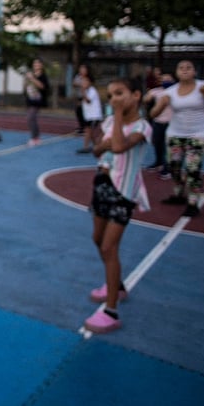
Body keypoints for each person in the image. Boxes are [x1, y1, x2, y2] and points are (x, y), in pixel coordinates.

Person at [84, 78, 152, 334]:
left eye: (119, 93)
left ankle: (111, 311)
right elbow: (98, 150)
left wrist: (117, 124)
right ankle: (117, 287)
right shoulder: (110, 122)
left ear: (136, 95)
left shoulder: (143, 126)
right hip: (101, 184)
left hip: (123, 192)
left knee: (109, 246)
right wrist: (107, 141)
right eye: (111, 95)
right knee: (97, 238)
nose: (113, 99)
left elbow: (120, 147)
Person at [150, 60, 204, 217]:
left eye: (188, 67)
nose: (185, 70)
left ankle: (193, 203)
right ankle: (179, 194)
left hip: (199, 134)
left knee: (193, 169)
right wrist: (161, 104)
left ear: (195, 72)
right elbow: (153, 114)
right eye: (181, 68)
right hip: (175, 134)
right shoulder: (170, 92)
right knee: (174, 168)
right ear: (177, 73)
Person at [142, 72, 175, 178]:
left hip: (171, 123)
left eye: (168, 79)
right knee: (157, 144)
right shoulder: (155, 91)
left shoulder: (176, 91)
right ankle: (158, 162)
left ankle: (168, 167)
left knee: (168, 147)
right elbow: (146, 99)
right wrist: (148, 97)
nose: (165, 81)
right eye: (163, 79)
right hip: (158, 122)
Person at [23, 58, 50, 146]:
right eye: (34, 63)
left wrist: (32, 78)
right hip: (30, 99)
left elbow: (42, 86)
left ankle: (34, 138)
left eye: (38, 63)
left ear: (41, 65)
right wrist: (26, 80)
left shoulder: (42, 76)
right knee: (32, 118)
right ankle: (37, 138)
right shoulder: (31, 74)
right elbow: (25, 87)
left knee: (30, 117)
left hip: (38, 100)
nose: (36, 65)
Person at [77, 74, 103, 153]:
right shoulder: (86, 91)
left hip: (94, 116)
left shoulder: (92, 90)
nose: (83, 83)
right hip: (88, 115)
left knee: (88, 130)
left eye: (85, 81)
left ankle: (85, 147)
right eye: (82, 81)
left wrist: (83, 92)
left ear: (90, 82)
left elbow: (88, 101)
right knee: (90, 133)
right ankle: (97, 145)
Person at [72, 64, 93, 134]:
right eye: (81, 69)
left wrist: (80, 84)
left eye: (84, 69)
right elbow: (74, 83)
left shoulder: (88, 78)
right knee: (78, 111)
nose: (82, 70)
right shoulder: (78, 76)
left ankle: (85, 127)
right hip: (78, 96)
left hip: (85, 97)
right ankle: (82, 126)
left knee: (83, 111)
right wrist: (81, 84)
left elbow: (86, 85)